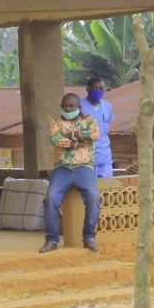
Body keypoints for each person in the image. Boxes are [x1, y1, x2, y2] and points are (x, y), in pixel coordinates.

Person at [40, 93, 101, 253]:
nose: (68, 109)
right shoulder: (55, 121)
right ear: (61, 107)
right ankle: (52, 240)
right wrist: (78, 143)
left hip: (84, 167)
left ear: (78, 107)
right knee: (50, 199)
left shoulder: (89, 120)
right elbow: (55, 139)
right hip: (62, 168)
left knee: (94, 198)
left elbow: (95, 135)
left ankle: (89, 237)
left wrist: (72, 135)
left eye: (71, 106)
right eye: (65, 106)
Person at [79, 77, 114, 179]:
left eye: (101, 88)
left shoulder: (107, 106)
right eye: (95, 88)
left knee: (107, 185)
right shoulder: (79, 105)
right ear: (88, 89)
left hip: (104, 155)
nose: (98, 91)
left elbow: (108, 124)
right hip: (85, 153)